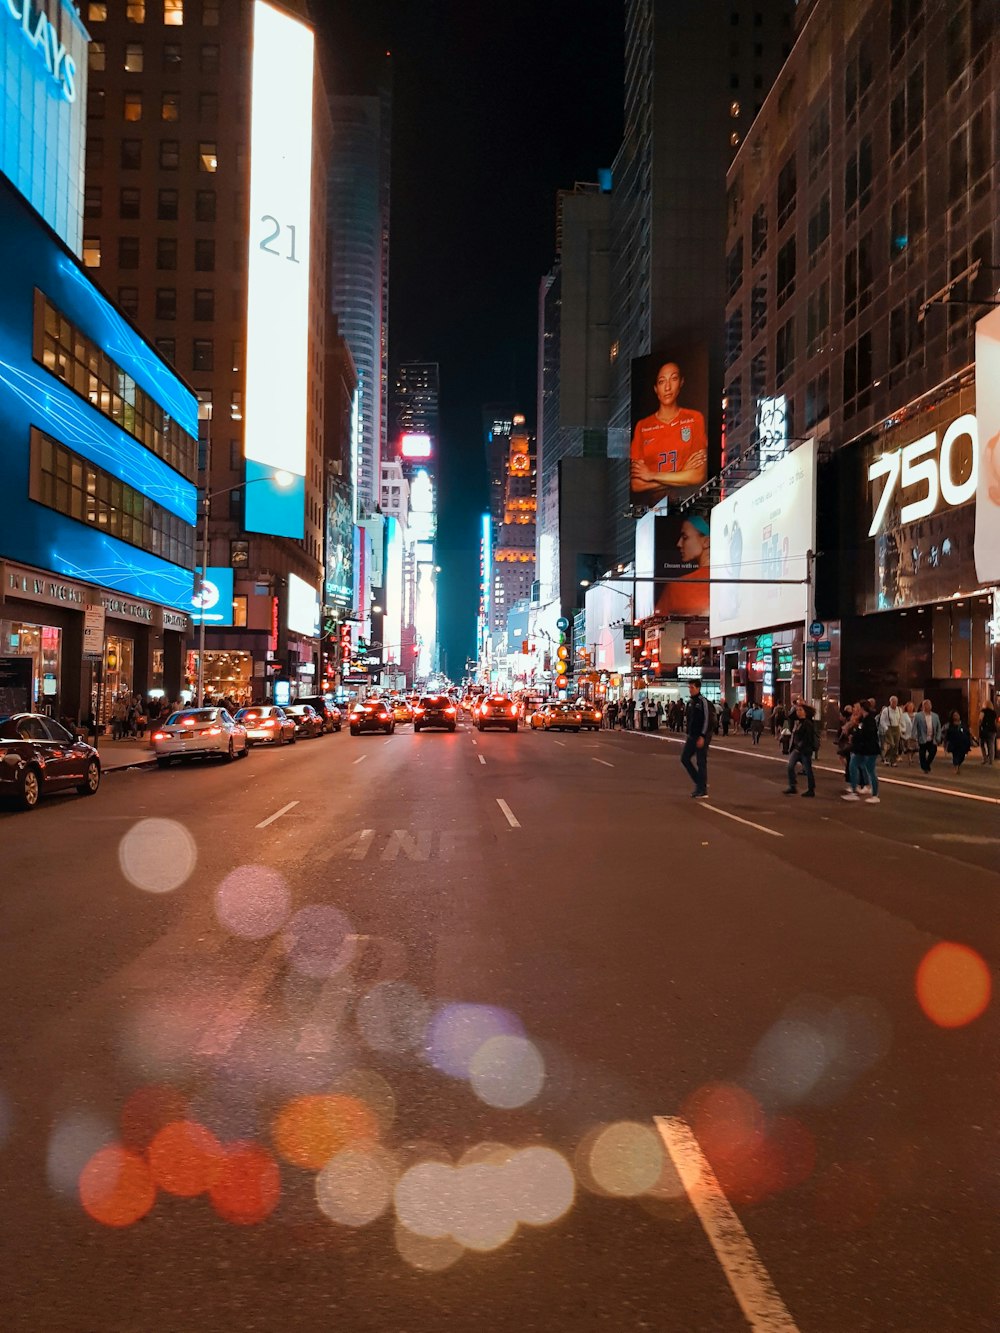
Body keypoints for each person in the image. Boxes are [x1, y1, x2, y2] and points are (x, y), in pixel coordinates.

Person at [629, 361, 709, 509]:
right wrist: (682, 474)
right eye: (661, 381)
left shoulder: (694, 418)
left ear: (681, 382)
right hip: (654, 508)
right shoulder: (643, 426)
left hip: (687, 502)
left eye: (673, 379)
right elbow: (636, 484)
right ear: (655, 388)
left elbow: (698, 476)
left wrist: (651, 475)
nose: (667, 387)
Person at [843, 699, 881, 803]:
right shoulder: (864, 719)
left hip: (869, 750)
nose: (855, 709)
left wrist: (855, 736)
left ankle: (874, 795)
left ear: (862, 708)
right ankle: (855, 791)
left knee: (870, 770)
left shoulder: (869, 720)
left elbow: (866, 734)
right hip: (863, 749)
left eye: (857, 708)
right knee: (854, 765)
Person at [680, 679, 711, 798]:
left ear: (698, 688)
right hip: (692, 735)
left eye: (692, 687)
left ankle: (702, 789)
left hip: (701, 736)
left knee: (701, 762)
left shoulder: (702, 701)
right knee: (684, 758)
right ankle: (700, 783)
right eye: (689, 687)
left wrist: (702, 736)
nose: (690, 689)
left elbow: (706, 719)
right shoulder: (691, 702)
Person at [783, 702, 818, 797]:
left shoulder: (808, 723)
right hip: (797, 749)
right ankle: (792, 786)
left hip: (805, 750)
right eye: (797, 710)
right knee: (790, 766)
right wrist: (796, 707)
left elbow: (808, 738)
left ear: (806, 712)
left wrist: (799, 747)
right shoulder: (797, 722)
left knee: (808, 769)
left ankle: (811, 789)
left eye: (800, 710)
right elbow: (790, 716)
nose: (798, 712)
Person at [914, 699, 942, 774]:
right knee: (922, 754)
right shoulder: (918, 716)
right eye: (926, 705)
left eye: (929, 705)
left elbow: (938, 727)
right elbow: (914, 727)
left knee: (933, 751)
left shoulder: (935, 716)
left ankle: (927, 764)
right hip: (922, 738)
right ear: (923, 707)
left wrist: (938, 737)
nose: (928, 706)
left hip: (932, 738)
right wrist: (914, 737)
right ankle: (924, 767)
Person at [943, 710, 972, 774]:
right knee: (955, 756)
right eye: (954, 715)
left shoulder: (963, 724)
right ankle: (956, 767)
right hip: (954, 744)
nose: (956, 716)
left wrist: (970, 741)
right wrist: (945, 745)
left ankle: (958, 765)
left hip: (963, 744)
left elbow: (967, 733)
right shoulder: (950, 726)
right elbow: (947, 736)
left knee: (962, 757)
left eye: (957, 715)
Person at [878, 695, 903, 766]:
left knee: (896, 745)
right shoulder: (886, 710)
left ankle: (893, 761)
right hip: (889, 728)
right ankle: (887, 757)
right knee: (891, 744)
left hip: (897, 727)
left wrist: (901, 728)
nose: (894, 703)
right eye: (893, 702)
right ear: (890, 702)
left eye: (896, 702)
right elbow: (882, 720)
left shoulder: (899, 710)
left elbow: (901, 719)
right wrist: (886, 728)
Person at [978, 695, 996, 765]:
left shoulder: (983, 711)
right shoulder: (994, 712)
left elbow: (980, 720)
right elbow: (994, 722)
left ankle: (985, 758)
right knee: (991, 745)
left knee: (982, 744)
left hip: (985, 730)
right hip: (993, 730)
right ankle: (991, 760)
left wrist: (979, 727)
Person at [899, 701, 918, 765]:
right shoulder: (904, 715)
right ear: (907, 707)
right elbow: (901, 723)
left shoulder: (916, 714)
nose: (910, 708)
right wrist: (902, 730)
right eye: (909, 707)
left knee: (915, 748)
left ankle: (911, 757)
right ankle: (909, 759)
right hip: (907, 733)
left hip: (915, 733)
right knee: (908, 747)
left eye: (912, 706)